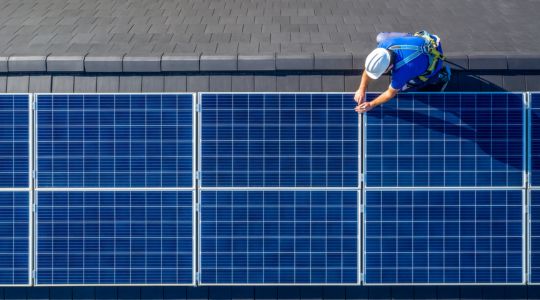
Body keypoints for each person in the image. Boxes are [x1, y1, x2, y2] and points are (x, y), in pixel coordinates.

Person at [354, 31, 451, 113]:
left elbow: (390, 93)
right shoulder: (384, 45)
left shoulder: (403, 72)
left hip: (434, 58)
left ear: (390, 67)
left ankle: (441, 76)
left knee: (405, 88)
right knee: (380, 37)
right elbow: (369, 69)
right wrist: (361, 89)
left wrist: (371, 104)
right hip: (424, 41)